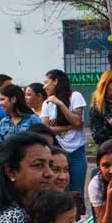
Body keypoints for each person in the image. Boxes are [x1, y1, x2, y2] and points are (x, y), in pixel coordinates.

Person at [41, 69, 88, 197]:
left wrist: (60, 104)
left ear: (55, 81)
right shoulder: (47, 103)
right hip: (57, 150)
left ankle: (77, 216)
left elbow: (78, 123)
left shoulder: (75, 96)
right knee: (59, 191)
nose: (44, 86)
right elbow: (46, 128)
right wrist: (69, 126)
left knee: (77, 192)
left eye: (46, 82)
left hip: (76, 152)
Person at [0, 84, 41, 152]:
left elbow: (41, 144)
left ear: (13, 99)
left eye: (2, 99)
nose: (0, 103)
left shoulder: (33, 119)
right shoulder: (3, 122)